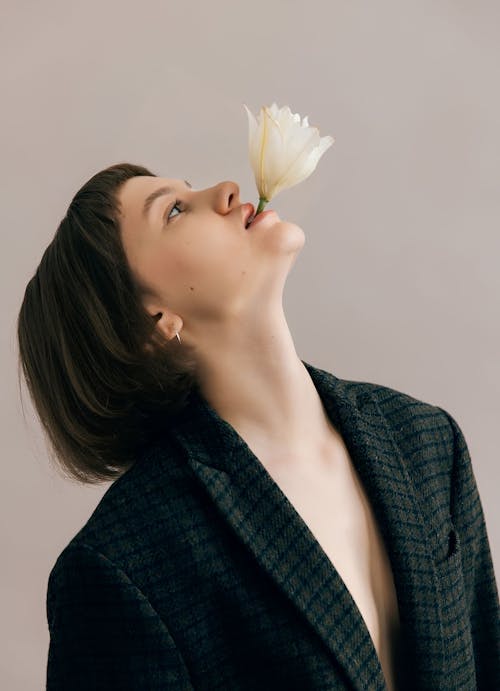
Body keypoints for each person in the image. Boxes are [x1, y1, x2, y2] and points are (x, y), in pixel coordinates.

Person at [17, 162, 500, 690]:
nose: (226, 191)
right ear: (154, 324)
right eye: (174, 210)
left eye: (188, 187)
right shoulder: (124, 565)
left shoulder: (427, 441)